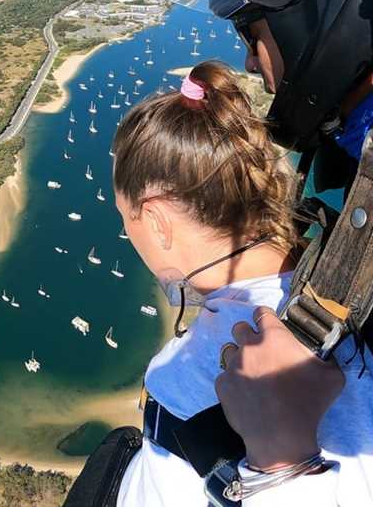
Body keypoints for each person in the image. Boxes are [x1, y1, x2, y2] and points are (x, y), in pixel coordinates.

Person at [64, 62, 372, 506]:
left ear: (155, 219)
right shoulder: (342, 287)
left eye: (125, 217)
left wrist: (281, 467)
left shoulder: (189, 374)